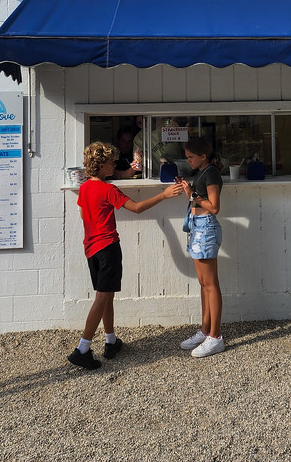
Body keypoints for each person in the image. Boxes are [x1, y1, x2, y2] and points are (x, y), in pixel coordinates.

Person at [69, 141, 184, 370]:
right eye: (111, 162)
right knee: (102, 298)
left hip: (91, 248)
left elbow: (83, 211)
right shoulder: (108, 189)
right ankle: (82, 348)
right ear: (100, 165)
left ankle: (111, 341)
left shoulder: (84, 188)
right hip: (108, 247)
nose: (114, 165)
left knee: (107, 295)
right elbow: (137, 208)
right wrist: (164, 195)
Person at [176, 137, 226, 358]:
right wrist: (190, 192)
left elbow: (214, 207)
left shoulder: (211, 172)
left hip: (206, 228)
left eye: (190, 157)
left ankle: (215, 337)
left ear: (203, 156)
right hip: (198, 227)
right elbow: (200, 200)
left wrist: (194, 195)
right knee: (203, 283)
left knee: (210, 284)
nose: (188, 161)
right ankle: (205, 330)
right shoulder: (203, 173)